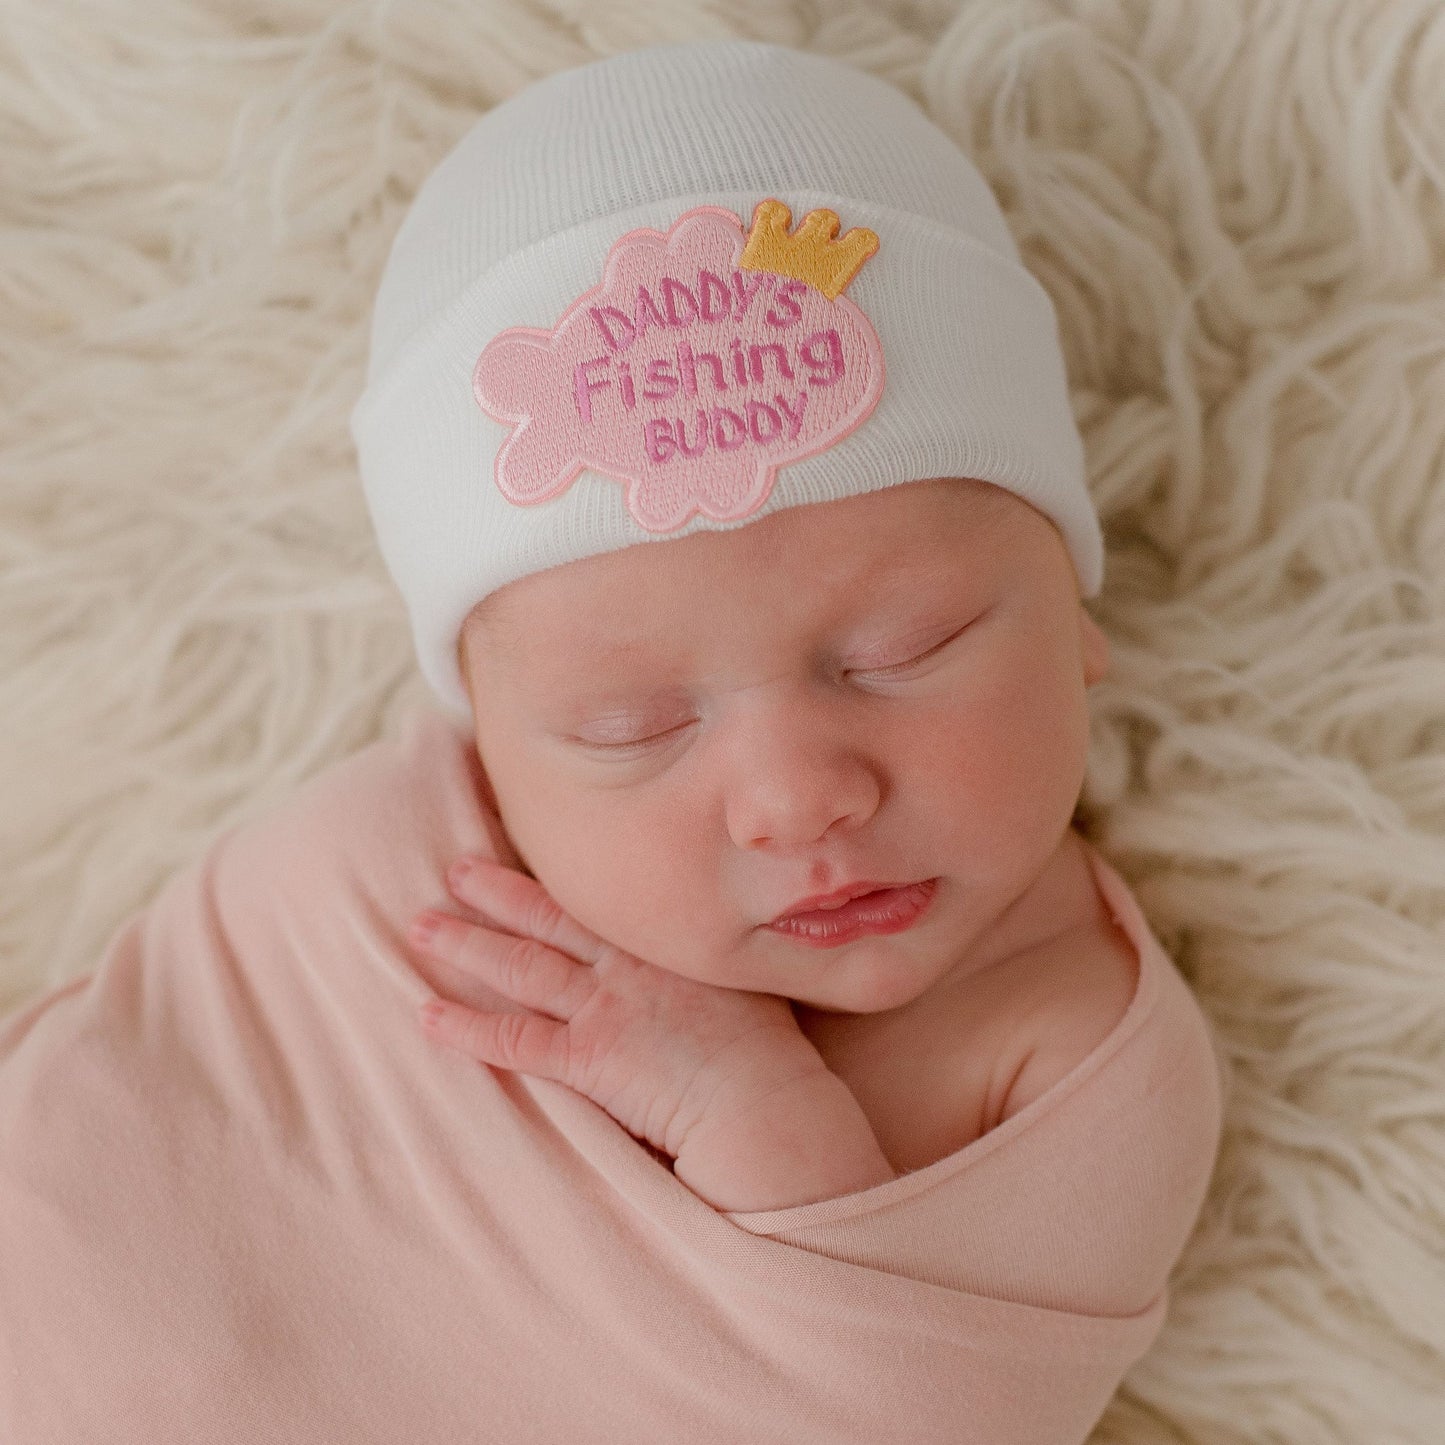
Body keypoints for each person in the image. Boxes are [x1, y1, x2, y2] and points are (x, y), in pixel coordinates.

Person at [0, 40, 1224, 1443]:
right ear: (494, 751)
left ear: (1072, 615)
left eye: (902, 652)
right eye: (628, 727)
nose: (792, 797)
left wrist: (759, 1118)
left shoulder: (1072, 1042)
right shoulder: (427, 879)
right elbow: (184, 1064)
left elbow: (939, 1407)